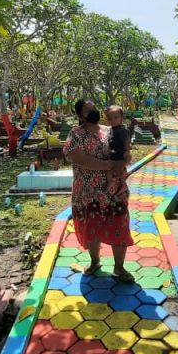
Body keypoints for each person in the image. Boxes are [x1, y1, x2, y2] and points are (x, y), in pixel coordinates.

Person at [63, 99, 134, 281]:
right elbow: (80, 159)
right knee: (91, 225)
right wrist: (109, 165)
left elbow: (127, 153)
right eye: (88, 110)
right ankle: (95, 262)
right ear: (79, 116)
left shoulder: (110, 130)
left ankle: (119, 268)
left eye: (94, 108)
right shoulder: (76, 134)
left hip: (114, 190)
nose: (93, 111)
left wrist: (123, 161)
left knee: (119, 223)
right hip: (87, 192)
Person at [105, 105, 131, 192]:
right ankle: (111, 182)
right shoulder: (111, 129)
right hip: (113, 154)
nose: (113, 120)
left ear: (122, 118)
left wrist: (127, 151)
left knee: (120, 170)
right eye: (110, 118)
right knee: (108, 170)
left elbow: (126, 141)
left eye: (116, 118)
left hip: (120, 154)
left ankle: (123, 184)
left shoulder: (122, 130)